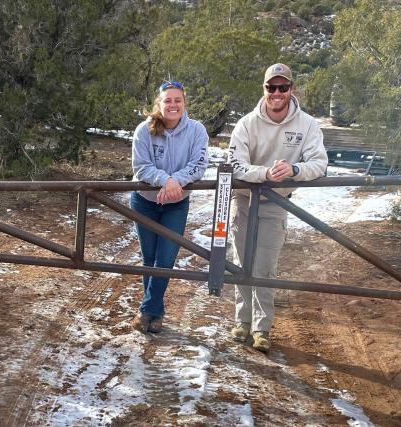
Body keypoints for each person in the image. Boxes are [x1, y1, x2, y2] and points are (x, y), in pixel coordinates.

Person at [227, 63, 328, 352]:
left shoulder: (307, 124)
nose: (277, 93)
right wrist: (264, 174)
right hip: (244, 200)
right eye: (271, 87)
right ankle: (241, 322)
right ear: (264, 89)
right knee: (240, 264)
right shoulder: (246, 123)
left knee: (264, 267)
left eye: (283, 87)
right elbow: (236, 164)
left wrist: (294, 169)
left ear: (291, 90)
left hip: (276, 203)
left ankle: (262, 329)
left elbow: (319, 164)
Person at [130, 81, 209, 333]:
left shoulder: (197, 131)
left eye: (178, 100)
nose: (173, 104)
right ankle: (155, 312)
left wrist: (177, 182)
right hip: (145, 201)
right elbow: (140, 166)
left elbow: (199, 165)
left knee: (165, 259)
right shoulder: (144, 130)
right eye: (168, 100)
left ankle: (146, 311)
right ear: (159, 104)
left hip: (176, 205)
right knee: (149, 258)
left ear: (184, 103)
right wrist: (166, 180)